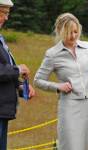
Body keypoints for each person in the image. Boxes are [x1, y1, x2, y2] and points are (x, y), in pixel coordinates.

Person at [34, 13, 88, 150]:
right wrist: (58, 86)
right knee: (71, 145)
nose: (73, 36)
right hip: (69, 107)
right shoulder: (52, 54)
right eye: (69, 33)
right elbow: (38, 80)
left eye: (76, 31)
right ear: (60, 31)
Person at [0, 0, 35, 149]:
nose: (6, 18)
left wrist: (21, 86)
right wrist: (18, 70)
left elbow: (5, 68)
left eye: (8, 13)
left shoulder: (1, 39)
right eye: (3, 13)